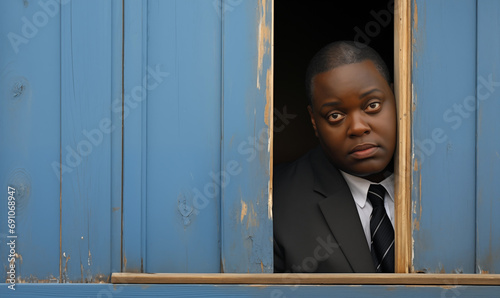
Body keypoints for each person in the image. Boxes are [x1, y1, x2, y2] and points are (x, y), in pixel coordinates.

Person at [273, 41, 397, 273]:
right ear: (313, 121)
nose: (358, 127)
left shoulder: (454, 182)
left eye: (372, 105)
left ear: (396, 96)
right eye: (335, 115)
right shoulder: (274, 203)